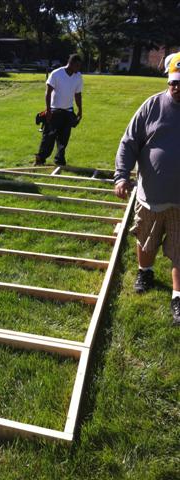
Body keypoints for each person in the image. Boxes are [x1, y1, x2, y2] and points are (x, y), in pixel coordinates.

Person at [114, 52, 180, 326]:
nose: (178, 88)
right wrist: (121, 176)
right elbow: (129, 142)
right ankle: (146, 271)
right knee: (145, 239)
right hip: (150, 196)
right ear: (168, 80)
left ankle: (178, 297)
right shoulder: (152, 106)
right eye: (174, 82)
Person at [34, 53, 83, 166]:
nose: (78, 68)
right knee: (48, 137)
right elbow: (48, 93)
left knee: (64, 138)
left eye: (79, 66)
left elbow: (78, 95)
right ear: (70, 63)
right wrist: (48, 110)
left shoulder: (78, 76)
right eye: (77, 65)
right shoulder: (56, 74)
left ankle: (59, 160)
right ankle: (40, 159)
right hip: (54, 111)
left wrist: (80, 110)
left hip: (68, 112)